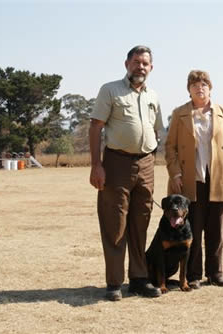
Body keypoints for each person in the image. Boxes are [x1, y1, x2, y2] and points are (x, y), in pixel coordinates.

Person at [89, 45, 164, 301]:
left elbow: (157, 131)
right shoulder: (110, 90)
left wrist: (152, 160)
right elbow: (96, 127)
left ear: (151, 68)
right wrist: (96, 165)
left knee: (140, 222)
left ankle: (139, 279)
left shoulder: (153, 95)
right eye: (136, 62)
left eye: (145, 63)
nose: (140, 67)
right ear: (126, 64)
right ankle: (114, 283)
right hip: (116, 163)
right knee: (115, 223)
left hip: (146, 164)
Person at [164, 70, 223, 289]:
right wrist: (175, 173)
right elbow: (170, 147)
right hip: (191, 178)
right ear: (188, 90)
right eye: (194, 85)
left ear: (210, 88)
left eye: (204, 85)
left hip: (218, 177)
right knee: (194, 228)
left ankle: (215, 272)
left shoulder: (222, 113)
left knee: (216, 228)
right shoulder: (179, 114)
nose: (200, 88)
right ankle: (193, 275)